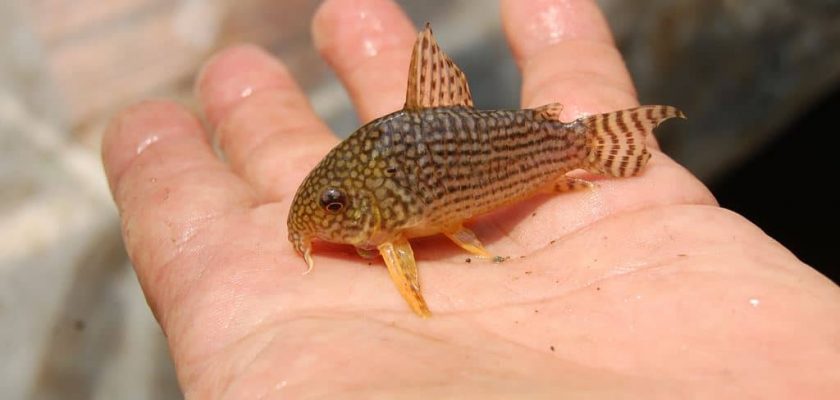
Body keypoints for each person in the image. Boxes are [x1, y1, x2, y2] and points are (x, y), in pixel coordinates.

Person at [100, 0, 840, 397]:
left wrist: (567, 152)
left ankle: (606, 148)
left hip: (539, 146)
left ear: (382, 207)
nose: (323, 219)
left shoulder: (400, 224)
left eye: (331, 207)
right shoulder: (378, 202)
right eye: (328, 206)